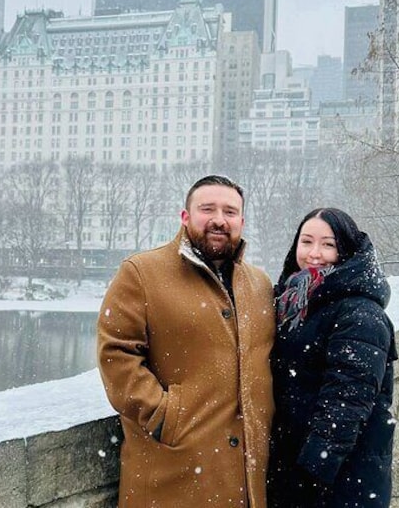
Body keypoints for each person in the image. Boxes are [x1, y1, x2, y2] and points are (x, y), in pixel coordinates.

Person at [97, 175, 276, 507]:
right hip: (172, 475)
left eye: (230, 212)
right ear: (185, 216)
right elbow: (116, 355)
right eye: (207, 209)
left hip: (247, 481)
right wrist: (166, 417)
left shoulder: (260, 285)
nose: (219, 220)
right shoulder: (142, 272)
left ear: (242, 221)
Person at [267, 208, 398, 508]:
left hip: (337, 483)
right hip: (296, 470)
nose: (315, 254)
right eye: (306, 242)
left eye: (328, 244)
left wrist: (309, 477)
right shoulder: (292, 304)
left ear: (347, 250)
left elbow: (346, 405)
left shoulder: (360, 314)